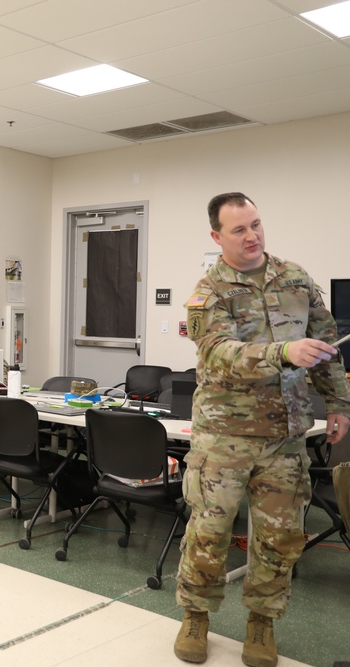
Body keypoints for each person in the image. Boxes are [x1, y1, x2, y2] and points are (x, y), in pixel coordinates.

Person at [174, 193, 350, 667]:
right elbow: (216, 353)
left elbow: (326, 341)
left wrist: (338, 403)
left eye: (256, 224)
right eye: (239, 229)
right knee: (209, 533)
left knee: (279, 537)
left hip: (286, 436)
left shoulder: (295, 277)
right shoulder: (207, 293)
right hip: (224, 438)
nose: (252, 236)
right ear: (217, 236)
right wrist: (283, 354)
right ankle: (196, 615)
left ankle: (261, 623)